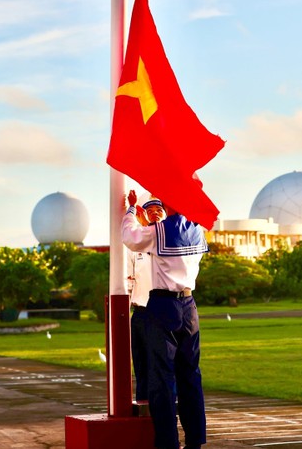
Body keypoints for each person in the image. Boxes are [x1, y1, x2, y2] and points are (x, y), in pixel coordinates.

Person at [121, 189, 208, 449]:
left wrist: (130, 210)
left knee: (162, 377)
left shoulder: (159, 231)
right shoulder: (198, 229)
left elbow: (130, 237)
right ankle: (195, 439)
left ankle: (168, 441)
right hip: (190, 306)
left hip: (163, 305)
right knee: (191, 374)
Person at [128, 196, 166, 402]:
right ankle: (144, 411)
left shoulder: (171, 238)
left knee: (162, 367)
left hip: (163, 309)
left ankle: (165, 412)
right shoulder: (136, 246)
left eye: (158, 210)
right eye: (149, 210)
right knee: (142, 367)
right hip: (141, 311)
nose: (154, 213)